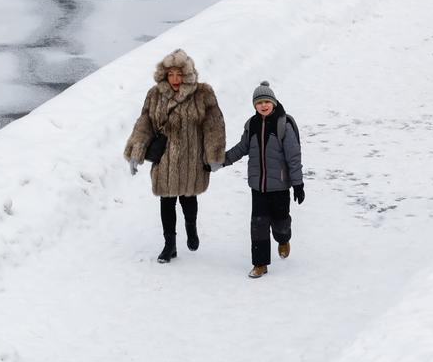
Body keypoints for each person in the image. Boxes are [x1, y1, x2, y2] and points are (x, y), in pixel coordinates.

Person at [124, 49, 226, 263]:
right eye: (170, 74)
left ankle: (191, 228)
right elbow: (145, 123)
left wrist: (214, 155)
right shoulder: (155, 94)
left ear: (188, 74)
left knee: (188, 198)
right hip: (165, 158)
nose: (175, 79)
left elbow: (214, 126)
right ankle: (169, 245)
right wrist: (136, 151)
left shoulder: (203, 94)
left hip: (191, 157)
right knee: (166, 201)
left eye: (179, 74)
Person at [222, 81, 304, 278]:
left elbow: (293, 156)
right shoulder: (252, 125)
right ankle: (260, 264)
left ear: (273, 102)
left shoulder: (283, 124)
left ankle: (283, 240)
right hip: (258, 186)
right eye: (259, 103)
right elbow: (242, 148)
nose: (263, 105)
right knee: (258, 225)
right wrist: (221, 161)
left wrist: (298, 184)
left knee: (280, 223)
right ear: (254, 106)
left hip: (280, 186)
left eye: (267, 101)